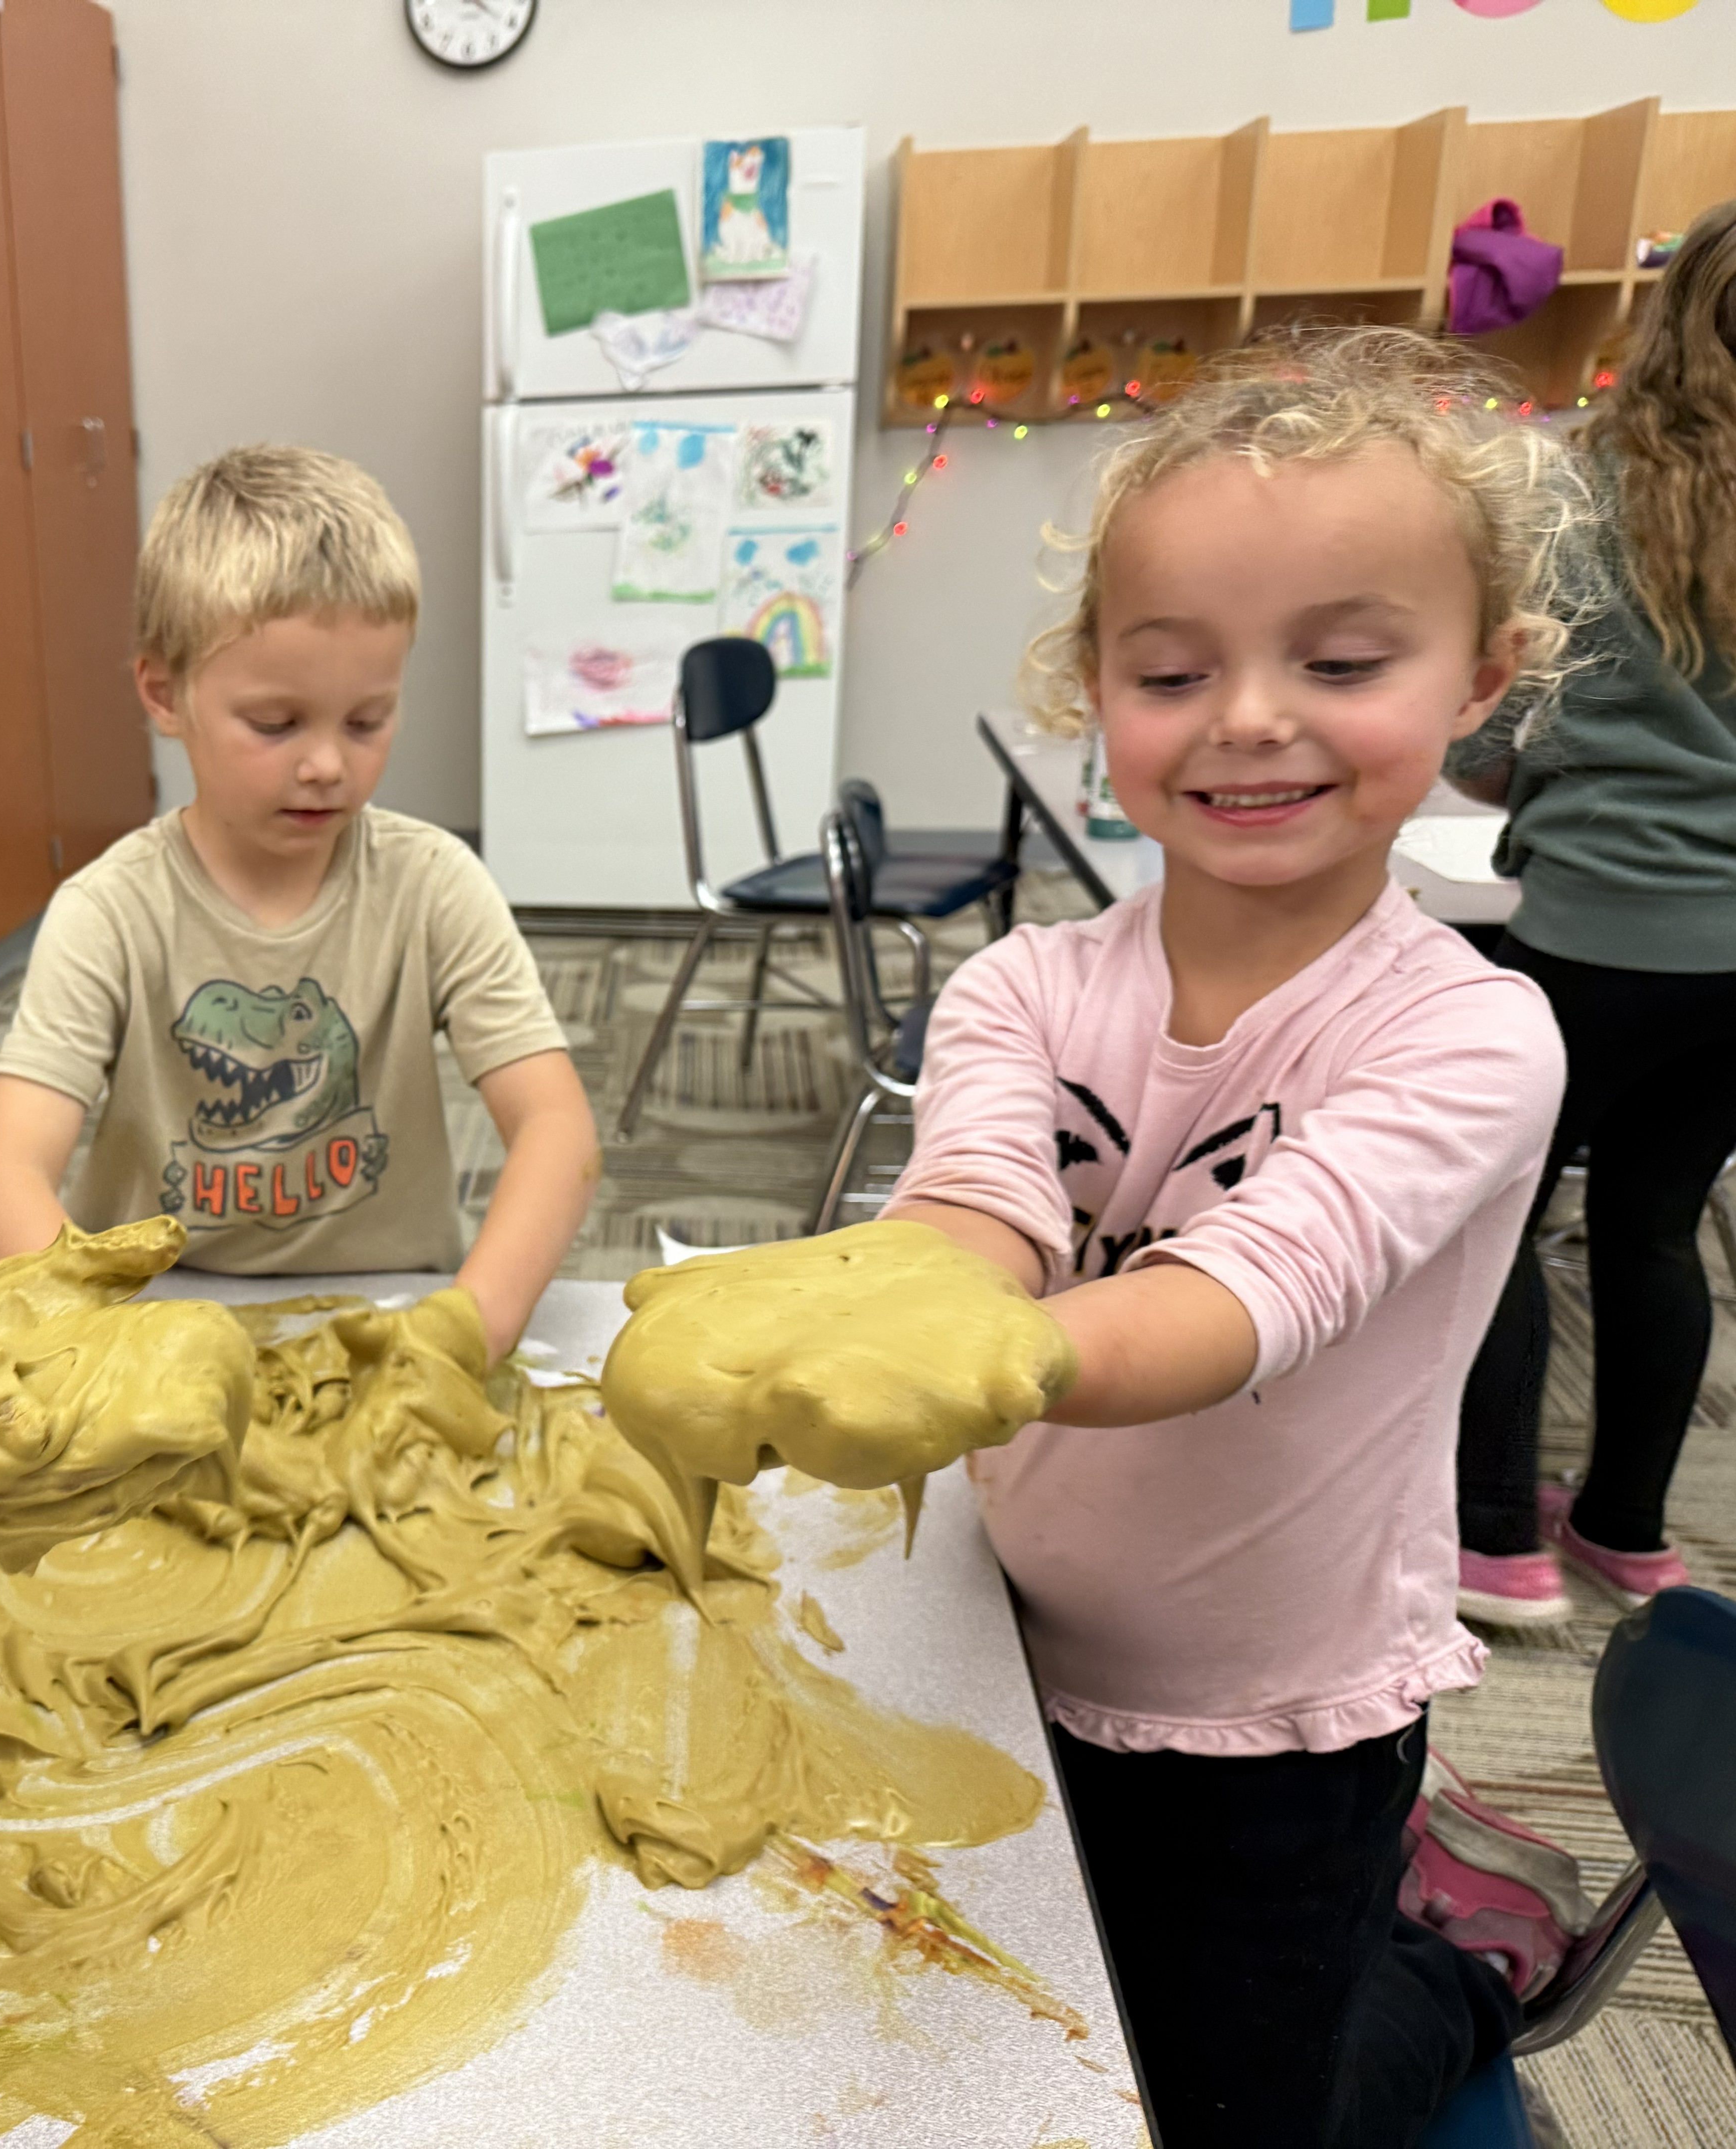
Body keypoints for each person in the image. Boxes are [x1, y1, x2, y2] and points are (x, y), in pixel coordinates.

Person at [623, 331, 1586, 2144]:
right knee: (1012, 2036)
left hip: (1273, 1720)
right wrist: (850, 1307)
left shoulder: (1469, 1036)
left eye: (1344, 658)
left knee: (1238, 2106)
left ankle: (1458, 1965)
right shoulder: (1021, 987)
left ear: (1484, 677)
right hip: (1004, 1628)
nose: (1247, 715)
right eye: (1172, 668)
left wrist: (973, 1359)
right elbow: (977, 1210)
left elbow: (1246, 1296)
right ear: (1093, 687)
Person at [0, 446, 601, 1366]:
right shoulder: (109, 913)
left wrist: (476, 1323)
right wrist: (89, 1348)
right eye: (276, 725)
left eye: (367, 721)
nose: (328, 766)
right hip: (152, 1321)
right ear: (165, 694)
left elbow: (555, 1127)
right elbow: (4, 1172)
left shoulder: (434, 887)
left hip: (395, 1308)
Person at [1445, 202, 1736, 1626]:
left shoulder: (1585, 491)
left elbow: (1488, 726)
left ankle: (1495, 1531)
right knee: (1656, 1221)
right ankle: (1629, 1526)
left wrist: (1499, 764)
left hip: (1597, 925)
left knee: (1497, 1213)